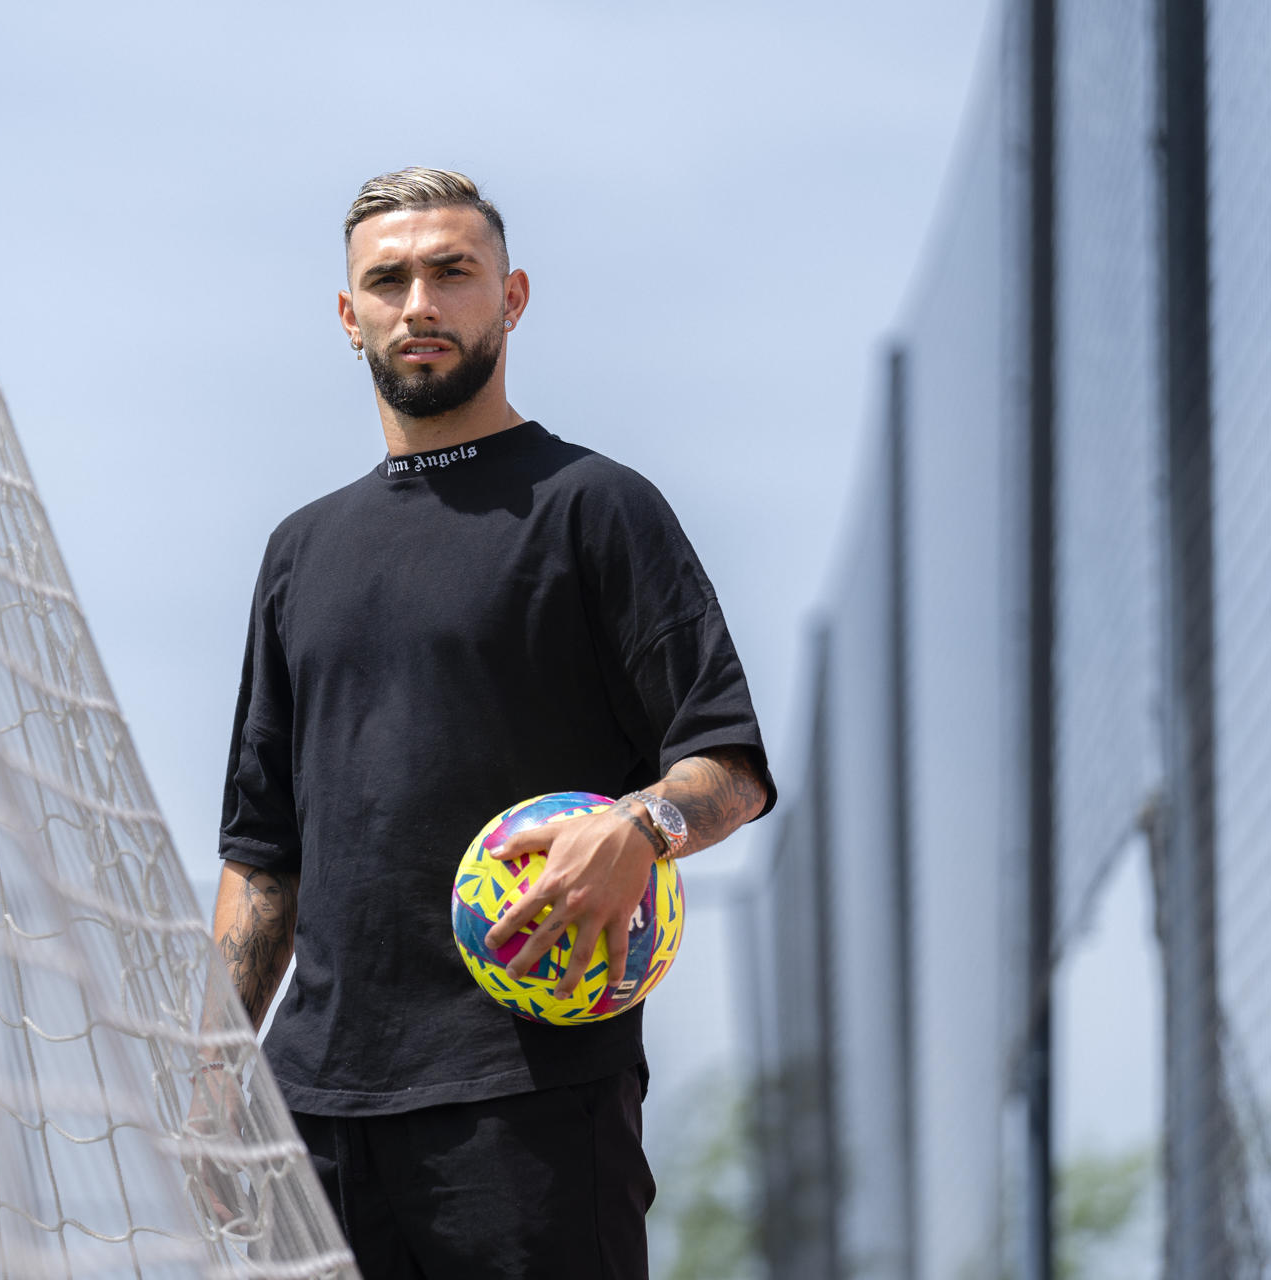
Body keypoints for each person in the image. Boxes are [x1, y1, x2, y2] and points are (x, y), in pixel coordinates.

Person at [204, 167, 775, 1279]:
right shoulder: (300, 551)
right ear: (348, 315)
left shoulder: (594, 507)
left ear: (510, 298)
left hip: (529, 1095)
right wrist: (210, 1076)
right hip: (313, 1104)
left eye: (451, 272)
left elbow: (730, 762)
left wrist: (642, 826)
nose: (419, 302)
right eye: (389, 279)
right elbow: (263, 856)